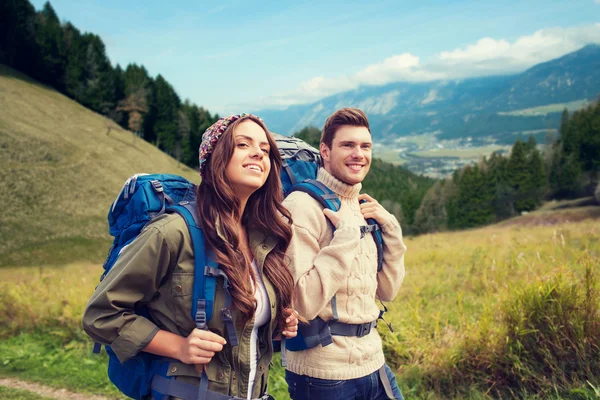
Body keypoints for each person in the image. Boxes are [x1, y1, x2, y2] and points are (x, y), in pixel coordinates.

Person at [82, 113, 299, 400]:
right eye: (243, 144)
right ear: (215, 159)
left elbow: (238, 329)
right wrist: (178, 346)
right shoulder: (174, 232)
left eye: (265, 149)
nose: (258, 152)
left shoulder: (264, 239)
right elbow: (101, 314)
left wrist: (273, 323)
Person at [283, 108, 407, 399]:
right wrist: (346, 239)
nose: (359, 154)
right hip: (323, 376)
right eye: (348, 145)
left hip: (374, 363)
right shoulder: (301, 206)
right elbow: (300, 303)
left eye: (365, 146)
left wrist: (391, 228)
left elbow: (387, 291)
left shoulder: (363, 207)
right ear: (325, 151)